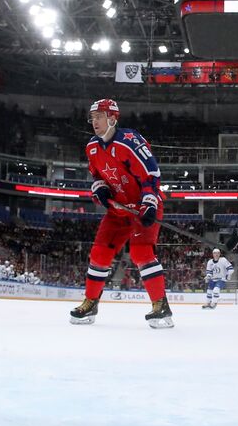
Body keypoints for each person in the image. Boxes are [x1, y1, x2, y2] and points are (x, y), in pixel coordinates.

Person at [70, 99, 173, 328]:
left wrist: (148, 203)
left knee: (141, 252)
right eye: (92, 117)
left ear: (113, 118)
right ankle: (91, 302)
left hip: (142, 207)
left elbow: (151, 172)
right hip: (118, 210)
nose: (94, 121)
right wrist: (102, 191)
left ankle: (161, 305)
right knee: (98, 254)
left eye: (99, 116)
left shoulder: (129, 140)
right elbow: (97, 177)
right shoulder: (92, 147)